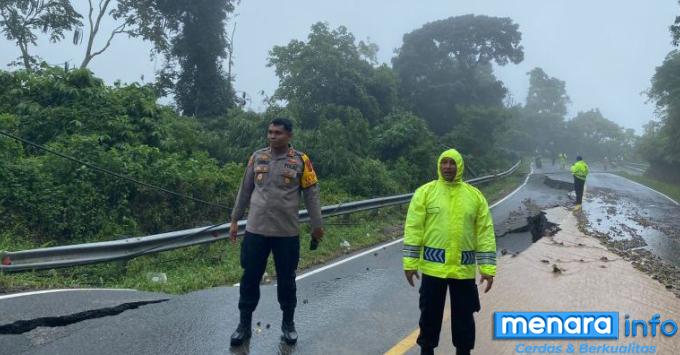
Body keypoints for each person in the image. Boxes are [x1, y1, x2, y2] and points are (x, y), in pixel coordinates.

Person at [229, 117, 324, 346]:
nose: (272, 136)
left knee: (287, 281)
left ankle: (288, 324)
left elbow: (311, 194)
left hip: (286, 233)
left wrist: (317, 225)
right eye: (270, 132)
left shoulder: (302, 161)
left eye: (278, 133)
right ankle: (244, 326)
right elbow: (245, 190)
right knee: (249, 279)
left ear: (289, 135)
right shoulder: (257, 157)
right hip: (256, 231)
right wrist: (234, 220)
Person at [402, 149, 496, 355]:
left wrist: (487, 268)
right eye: (444, 162)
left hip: (463, 271)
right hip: (433, 271)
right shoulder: (425, 193)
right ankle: (426, 351)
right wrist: (410, 264)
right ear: (439, 165)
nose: (447, 167)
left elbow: (485, 233)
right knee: (429, 316)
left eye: (452, 163)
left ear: (459, 166)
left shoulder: (475, 196)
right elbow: (413, 229)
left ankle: (463, 352)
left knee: (464, 318)